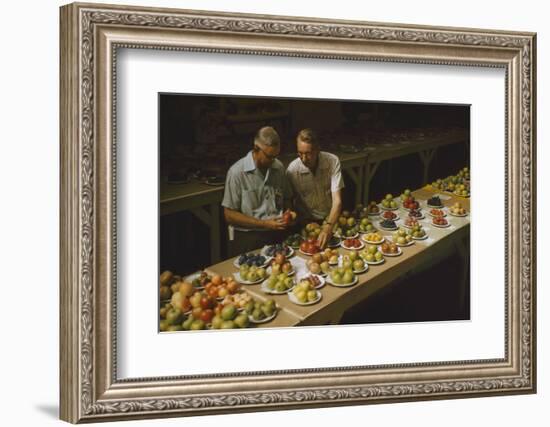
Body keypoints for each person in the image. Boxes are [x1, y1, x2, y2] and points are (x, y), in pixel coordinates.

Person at [222, 126, 293, 257]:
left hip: (276, 234)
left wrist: (288, 212)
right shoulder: (237, 172)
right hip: (248, 237)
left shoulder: (278, 167)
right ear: (256, 149)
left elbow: (287, 198)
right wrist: (264, 224)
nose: (273, 161)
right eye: (269, 156)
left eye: (276, 156)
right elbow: (229, 215)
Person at [286, 128, 344, 248]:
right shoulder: (292, 170)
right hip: (306, 225)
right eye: (300, 153)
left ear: (317, 150)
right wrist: (290, 214)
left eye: (308, 153)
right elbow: (288, 201)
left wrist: (328, 226)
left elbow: (337, 201)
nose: (303, 158)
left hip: (330, 220)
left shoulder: (332, 161)